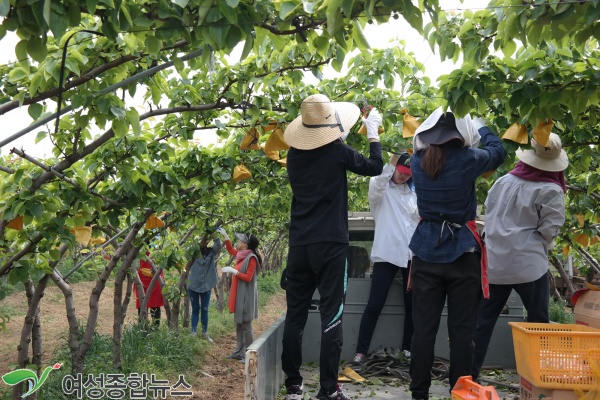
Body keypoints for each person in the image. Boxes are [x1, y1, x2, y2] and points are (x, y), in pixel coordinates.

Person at [281, 93, 384, 400]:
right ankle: (328, 390)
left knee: (295, 317)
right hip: (330, 246)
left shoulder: (294, 155)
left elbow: (323, 150)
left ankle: (294, 387)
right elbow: (375, 166)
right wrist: (374, 131)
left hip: (300, 245)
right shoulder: (338, 151)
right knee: (332, 315)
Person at [408, 108, 506, 400]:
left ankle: (419, 393)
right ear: (458, 137)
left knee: (423, 330)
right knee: (463, 332)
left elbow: (417, 146)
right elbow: (498, 152)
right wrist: (480, 125)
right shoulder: (468, 160)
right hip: (463, 253)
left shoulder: (416, 162)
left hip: (426, 253)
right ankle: (460, 392)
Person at [471, 132, 568, 380]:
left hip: (495, 264)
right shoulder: (550, 190)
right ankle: (540, 379)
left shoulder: (502, 182)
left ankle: (468, 376)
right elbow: (549, 230)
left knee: (482, 323)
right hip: (528, 265)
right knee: (538, 324)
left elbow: (489, 216)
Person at [353, 152, 419, 365]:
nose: (404, 177)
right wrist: (390, 164)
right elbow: (378, 181)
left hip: (410, 255)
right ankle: (361, 352)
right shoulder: (380, 193)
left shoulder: (412, 194)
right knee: (374, 305)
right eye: (401, 172)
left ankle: (408, 349)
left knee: (412, 306)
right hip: (387, 253)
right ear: (395, 168)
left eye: (409, 174)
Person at [215, 226, 261, 364]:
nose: (238, 242)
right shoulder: (242, 255)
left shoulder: (251, 258)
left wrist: (234, 272)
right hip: (239, 293)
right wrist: (226, 237)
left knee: (246, 324)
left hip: (246, 295)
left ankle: (248, 353)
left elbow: (248, 277)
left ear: (245, 244)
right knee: (238, 323)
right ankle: (238, 352)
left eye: (239, 240)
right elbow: (231, 250)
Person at [187, 234, 222, 343]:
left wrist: (214, 234)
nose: (205, 240)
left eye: (207, 239)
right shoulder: (193, 252)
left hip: (207, 284)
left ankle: (205, 333)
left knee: (205, 309)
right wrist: (196, 241)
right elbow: (186, 253)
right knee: (195, 308)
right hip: (193, 284)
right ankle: (193, 332)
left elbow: (218, 245)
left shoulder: (211, 252)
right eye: (203, 238)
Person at [135, 252, 165, 327]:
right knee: (142, 305)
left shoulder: (158, 246)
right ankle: (143, 328)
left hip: (156, 277)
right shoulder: (140, 245)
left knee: (155, 304)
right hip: (143, 278)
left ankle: (155, 328)